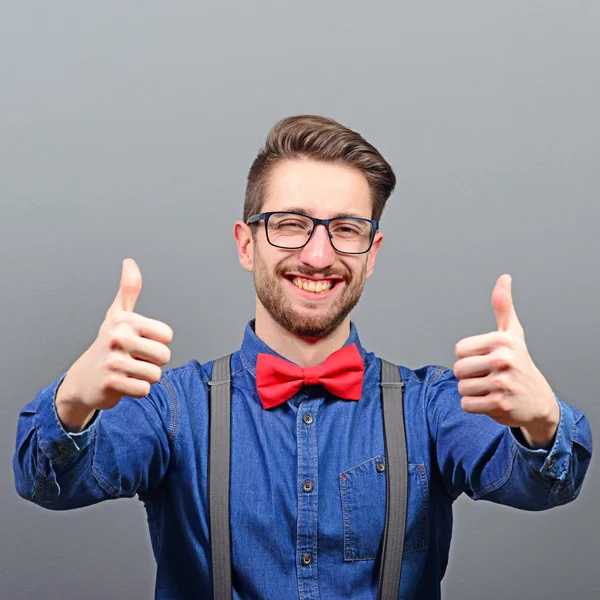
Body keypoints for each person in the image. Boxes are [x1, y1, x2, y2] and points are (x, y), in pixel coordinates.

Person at [14, 115, 592, 600]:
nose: (318, 254)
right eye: (291, 225)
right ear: (247, 243)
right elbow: (48, 485)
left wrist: (541, 427)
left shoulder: (432, 404)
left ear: (372, 254)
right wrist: (72, 407)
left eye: (345, 229)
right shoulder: (171, 407)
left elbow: (543, 487)